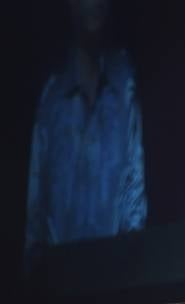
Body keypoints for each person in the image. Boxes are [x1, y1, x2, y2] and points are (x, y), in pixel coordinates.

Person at [24, 0, 148, 268]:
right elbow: (35, 212)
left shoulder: (125, 86)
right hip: (58, 286)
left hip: (115, 279)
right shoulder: (51, 101)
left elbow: (134, 193)